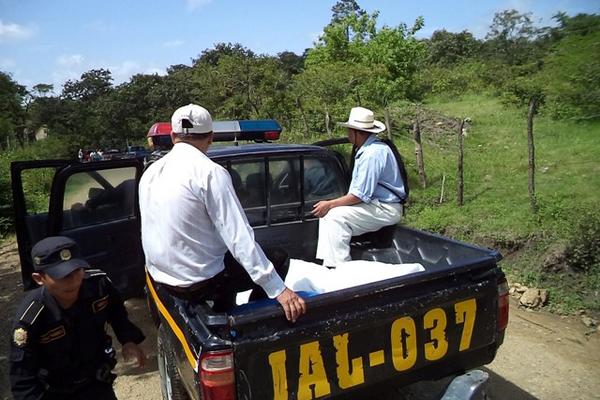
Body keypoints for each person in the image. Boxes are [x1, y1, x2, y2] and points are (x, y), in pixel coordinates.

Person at [138, 104, 306, 322]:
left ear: (173, 136)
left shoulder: (150, 172)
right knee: (278, 258)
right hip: (198, 284)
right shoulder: (210, 173)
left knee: (225, 261)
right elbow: (239, 237)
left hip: (161, 277)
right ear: (210, 138)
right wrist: (278, 289)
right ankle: (252, 318)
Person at [9, 236, 146, 400]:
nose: (73, 280)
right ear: (39, 279)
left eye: (77, 270)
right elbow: (23, 379)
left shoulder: (98, 285)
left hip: (96, 381)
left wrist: (128, 339)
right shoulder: (30, 319)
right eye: (62, 275)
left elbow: (116, 310)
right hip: (54, 392)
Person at [312, 106, 406, 267]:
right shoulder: (372, 149)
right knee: (330, 215)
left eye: (350, 130)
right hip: (378, 205)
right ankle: (330, 264)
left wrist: (329, 203)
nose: (348, 134)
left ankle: (341, 268)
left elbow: (360, 195)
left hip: (385, 208)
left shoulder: (372, 154)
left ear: (357, 132)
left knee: (335, 217)